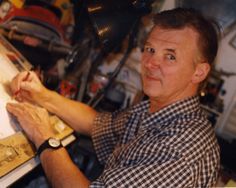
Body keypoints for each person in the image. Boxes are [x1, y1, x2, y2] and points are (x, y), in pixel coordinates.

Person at [6, 7, 220, 187]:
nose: (151, 63)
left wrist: (43, 135)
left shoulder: (179, 150)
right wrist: (42, 95)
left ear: (199, 72)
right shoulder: (157, 110)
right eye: (150, 49)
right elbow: (96, 123)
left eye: (170, 56)